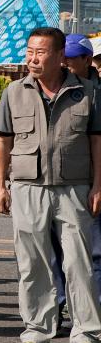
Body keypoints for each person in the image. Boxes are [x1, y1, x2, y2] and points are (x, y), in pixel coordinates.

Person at [0, 27, 101, 343]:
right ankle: (36, 332)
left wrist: (98, 185)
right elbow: (3, 141)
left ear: (59, 57)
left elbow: (97, 141)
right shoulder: (14, 92)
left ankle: (87, 336)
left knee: (79, 264)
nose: (32, 58)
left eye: (40, 52)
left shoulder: (88, 92)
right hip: (28, 186)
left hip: (75, 187)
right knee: (32, 264)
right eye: (29, 51)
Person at [63, 35, 101, 298]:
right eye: (61, 56)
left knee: (95, 250)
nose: (64, 62)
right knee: (60, 250)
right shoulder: (50, 90)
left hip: (92, 181)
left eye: (70, 57)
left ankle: (95, 307)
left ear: (87, 60)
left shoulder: (96, 94)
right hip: (64, 181)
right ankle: (61, 304)